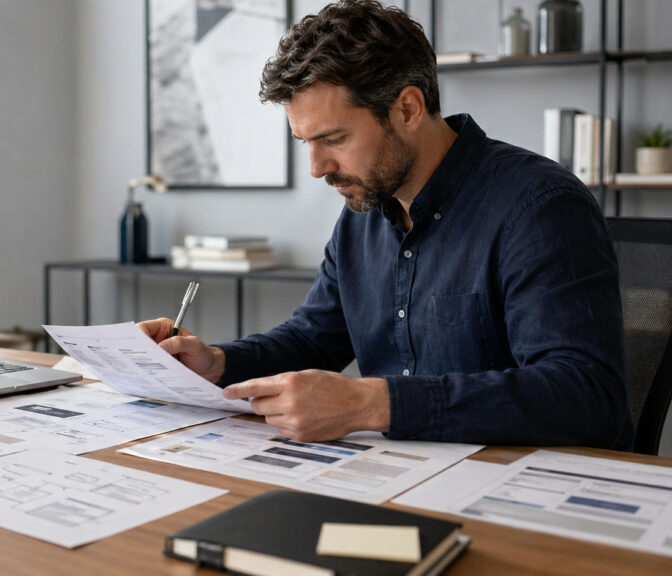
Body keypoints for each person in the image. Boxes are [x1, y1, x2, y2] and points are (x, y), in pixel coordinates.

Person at [139, 0, 632, 450]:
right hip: (397, 475)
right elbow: (314, 339)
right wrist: (218, 364)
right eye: (305, 141)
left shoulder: (539, 206)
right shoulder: (364, 214)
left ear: (408, 109)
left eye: (333, 138)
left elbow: (584, 395)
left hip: (522, 489)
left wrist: (370, 404)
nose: (316, 167)